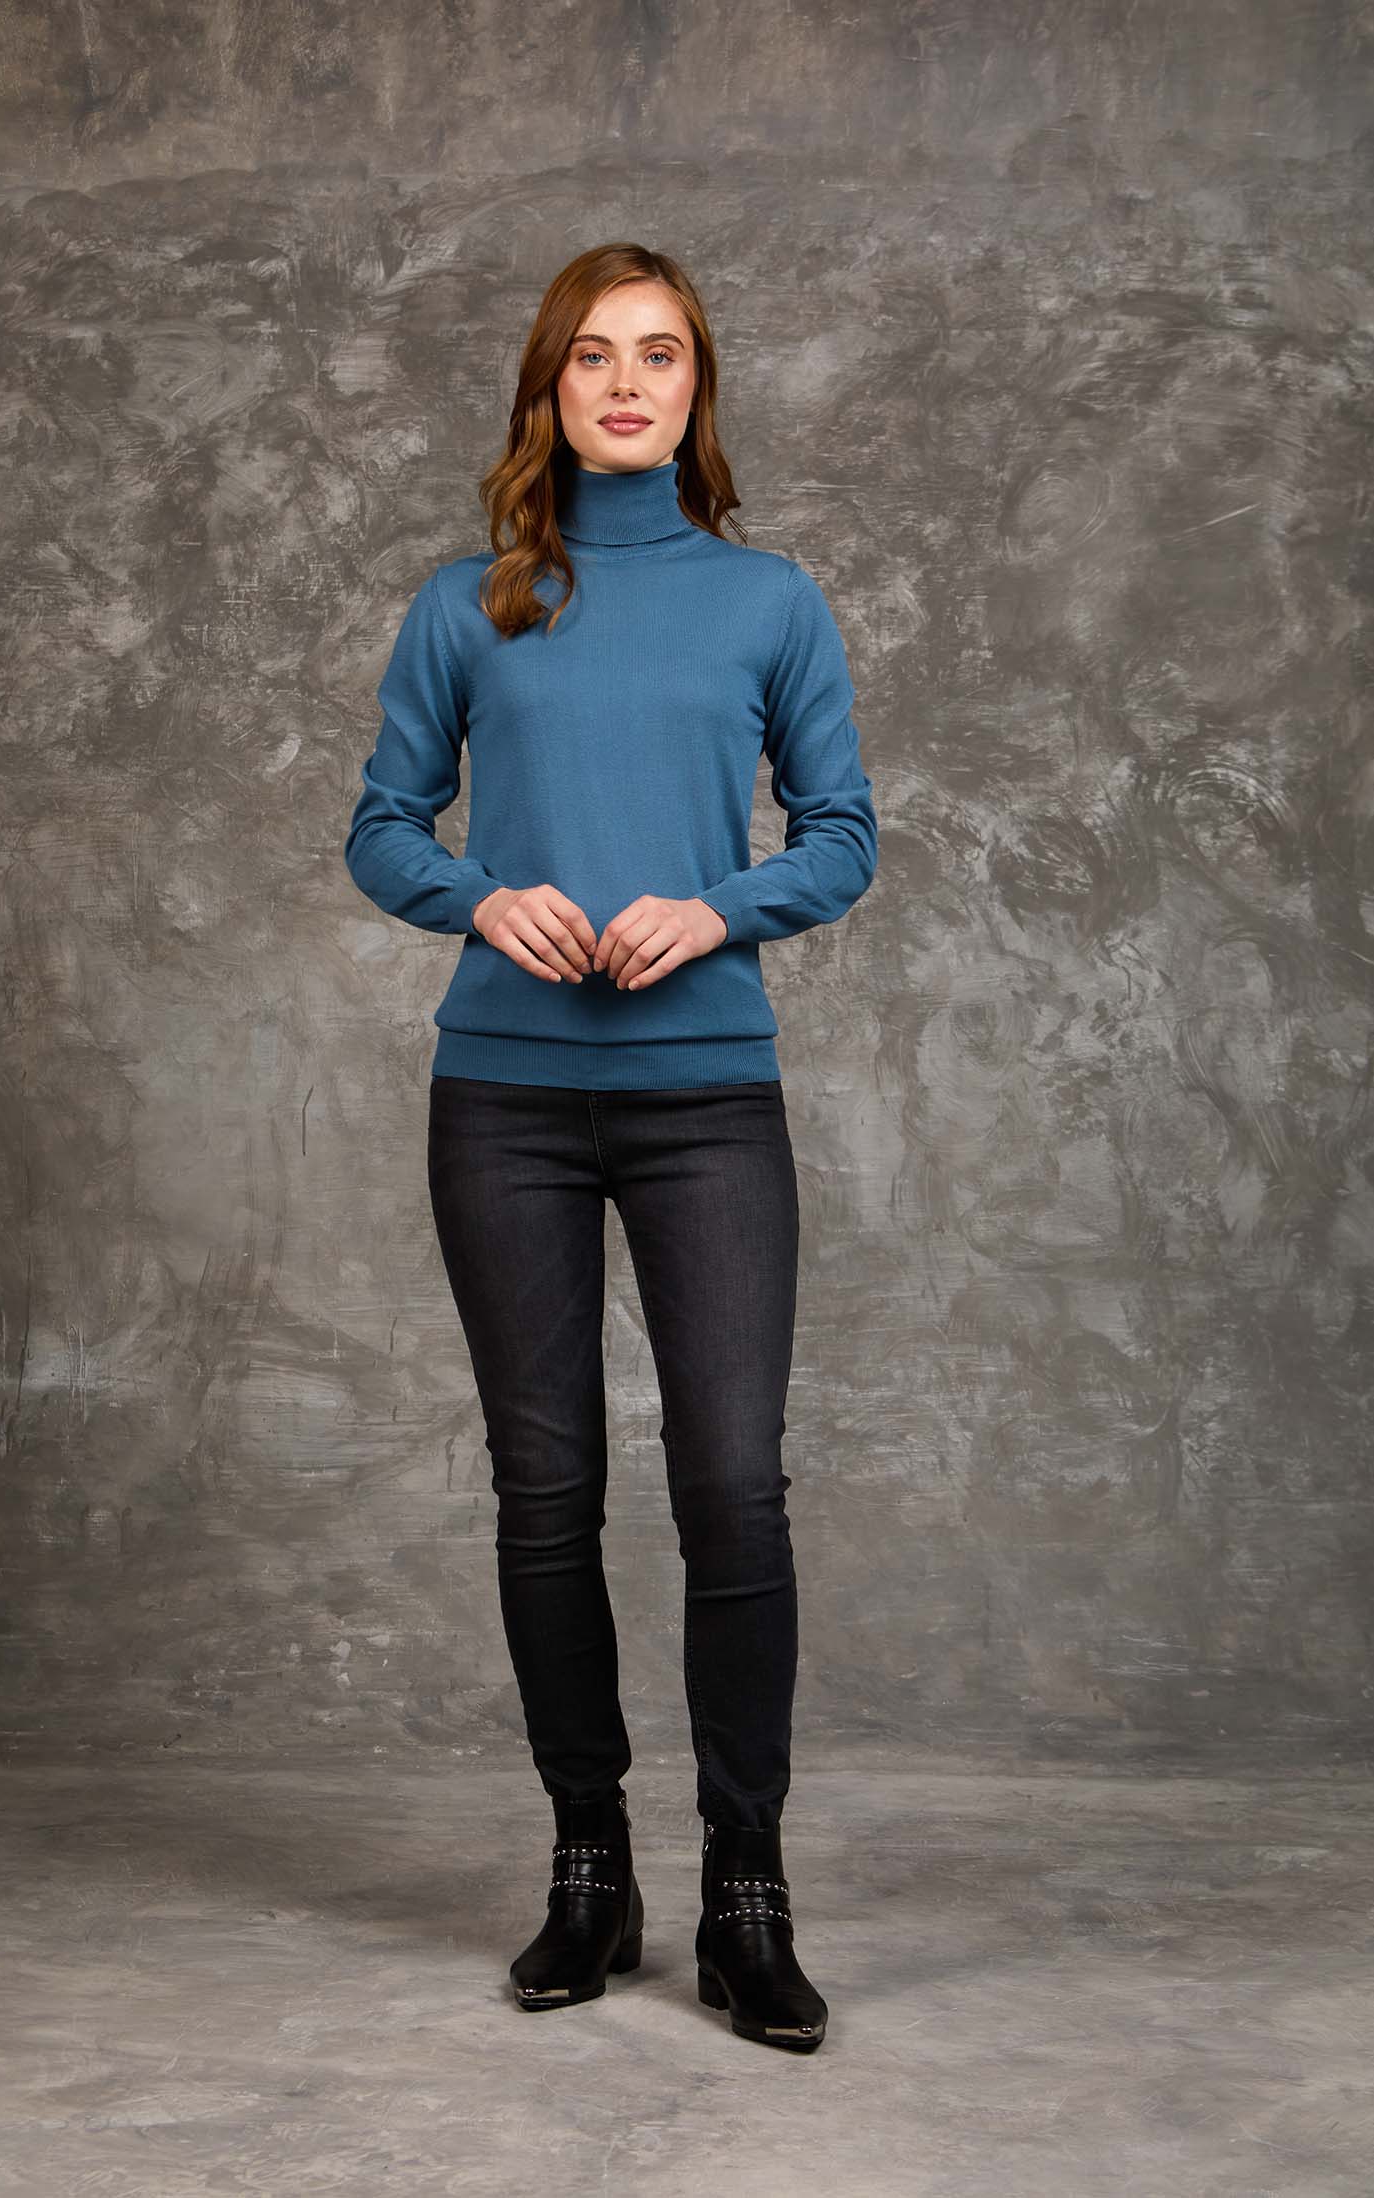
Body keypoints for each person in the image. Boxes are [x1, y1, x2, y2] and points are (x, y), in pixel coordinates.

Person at [344, 242, 877, 2053]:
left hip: (704, 1095)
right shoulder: (466, 603)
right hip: (503, 1102)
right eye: (592, 356)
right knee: (543, 1487)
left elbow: (842, 832)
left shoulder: (767, 602)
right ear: (548, 389)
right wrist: (478, 900)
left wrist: (717, 908)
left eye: (658, 355)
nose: (627, 383)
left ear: (695, 388)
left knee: (731, 1483)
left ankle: (746, 1888)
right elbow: (381, 825)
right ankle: (590, 1862)